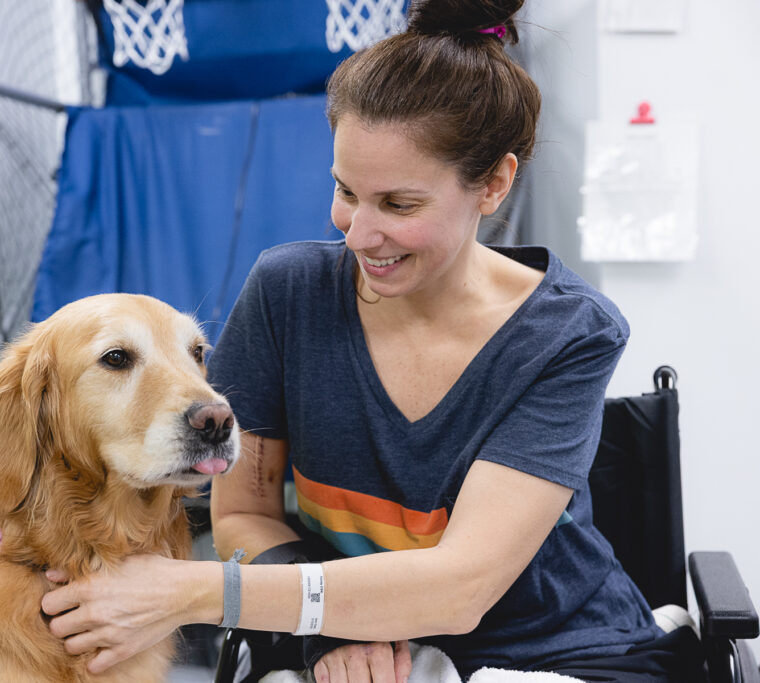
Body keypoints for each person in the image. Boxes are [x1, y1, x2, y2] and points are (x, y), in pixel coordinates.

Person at [42, 1, 703, 680]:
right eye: (345, 191)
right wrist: (324, 623)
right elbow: (243, 509)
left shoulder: (569, 333)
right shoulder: (288, 292)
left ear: (495, 184)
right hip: (355, 646)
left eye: (398, 204)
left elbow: (460, 589)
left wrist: (195, 590)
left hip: (557, 652)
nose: (356, 233)